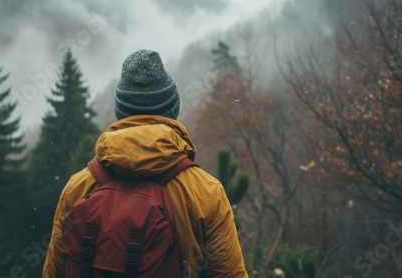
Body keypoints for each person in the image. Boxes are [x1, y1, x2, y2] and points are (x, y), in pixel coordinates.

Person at [42, 49, 249, 278]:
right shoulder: (206, 193)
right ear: (173, 110)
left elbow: (55, 273)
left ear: (120, 112)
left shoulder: (78, 188)